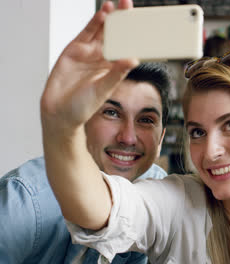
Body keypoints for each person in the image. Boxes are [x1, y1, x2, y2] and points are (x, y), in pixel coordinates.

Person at [40, 1, 230, 263]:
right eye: (198, 132)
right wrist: (60, 127)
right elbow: (101, 210)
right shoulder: (180, 203)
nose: (211, 151)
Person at [0, 58, 170, 263]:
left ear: (161, 138)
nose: (128, 138)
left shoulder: (160, 194)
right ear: (82, 121)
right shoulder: (26, 200)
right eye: (112, 113)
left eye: (146, 120)